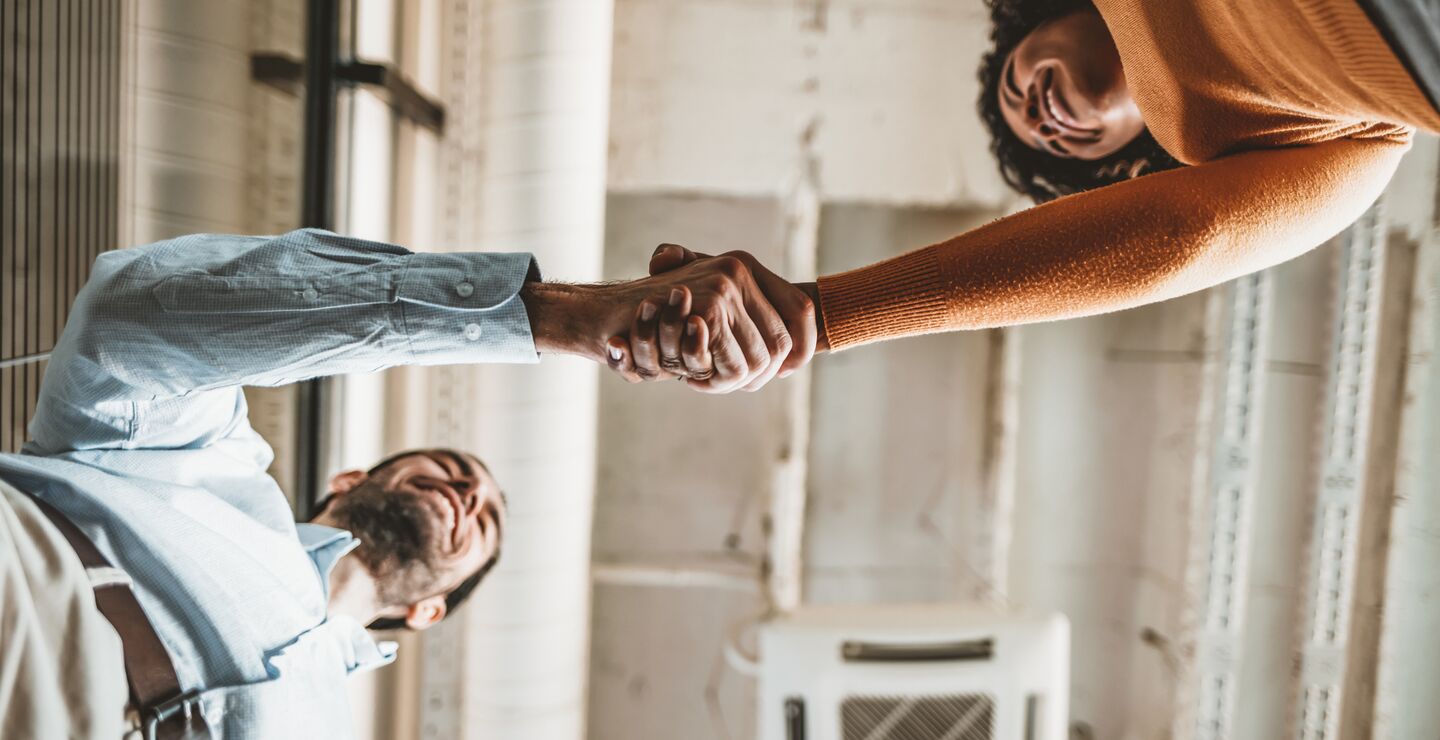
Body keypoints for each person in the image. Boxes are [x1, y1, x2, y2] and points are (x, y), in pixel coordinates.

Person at [0, 228, 798, 738]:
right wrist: (555, 316)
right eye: (451, 472)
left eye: (478, 521)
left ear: (429, 610)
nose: (465, 495)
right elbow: (127, 319)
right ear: (351, 478)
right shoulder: (204, 462)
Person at [609, 0, 1440, 386]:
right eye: (1053, 145)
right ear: (1124, 155)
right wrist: (824, 317)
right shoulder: (1333, 147)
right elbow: (1189, 237)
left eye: (1016, 88)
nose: (1037, 120)